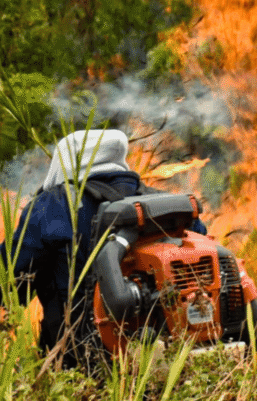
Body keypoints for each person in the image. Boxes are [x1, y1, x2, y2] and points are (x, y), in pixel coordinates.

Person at [0, 129, 206, 363]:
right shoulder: (171, 207)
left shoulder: (52, 207)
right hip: (174, 360)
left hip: (76, 368)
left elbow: (8, 284)